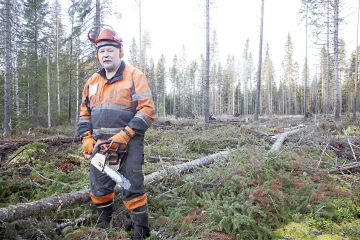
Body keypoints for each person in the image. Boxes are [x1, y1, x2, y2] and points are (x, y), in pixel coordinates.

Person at [77, 24, 155, 239]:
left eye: (110, 50)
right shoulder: (92, 82)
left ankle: (141, 232)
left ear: (119, 52)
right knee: (100, 189)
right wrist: (86, 138)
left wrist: (126, 133)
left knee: (132, 187)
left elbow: (147, 110)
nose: (106, 54)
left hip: (129, 143)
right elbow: (84, 113)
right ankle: (107, 228)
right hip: (100, 145)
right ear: (98, 56)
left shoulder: (134, 75)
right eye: (101, 51)